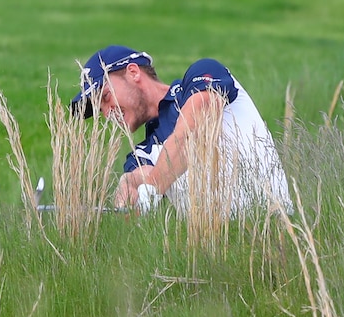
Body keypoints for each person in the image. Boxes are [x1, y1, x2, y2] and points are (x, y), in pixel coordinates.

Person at [70, 45, 291, 215]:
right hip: (214, 258)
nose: (108, 113)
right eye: (100, 110)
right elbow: (142, 175)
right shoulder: (141, 154)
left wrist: (152, 188)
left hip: (277, 232)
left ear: (134, 72)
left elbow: (191, 135)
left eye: (106, 97)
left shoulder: (202, 74)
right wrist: (130, 183)